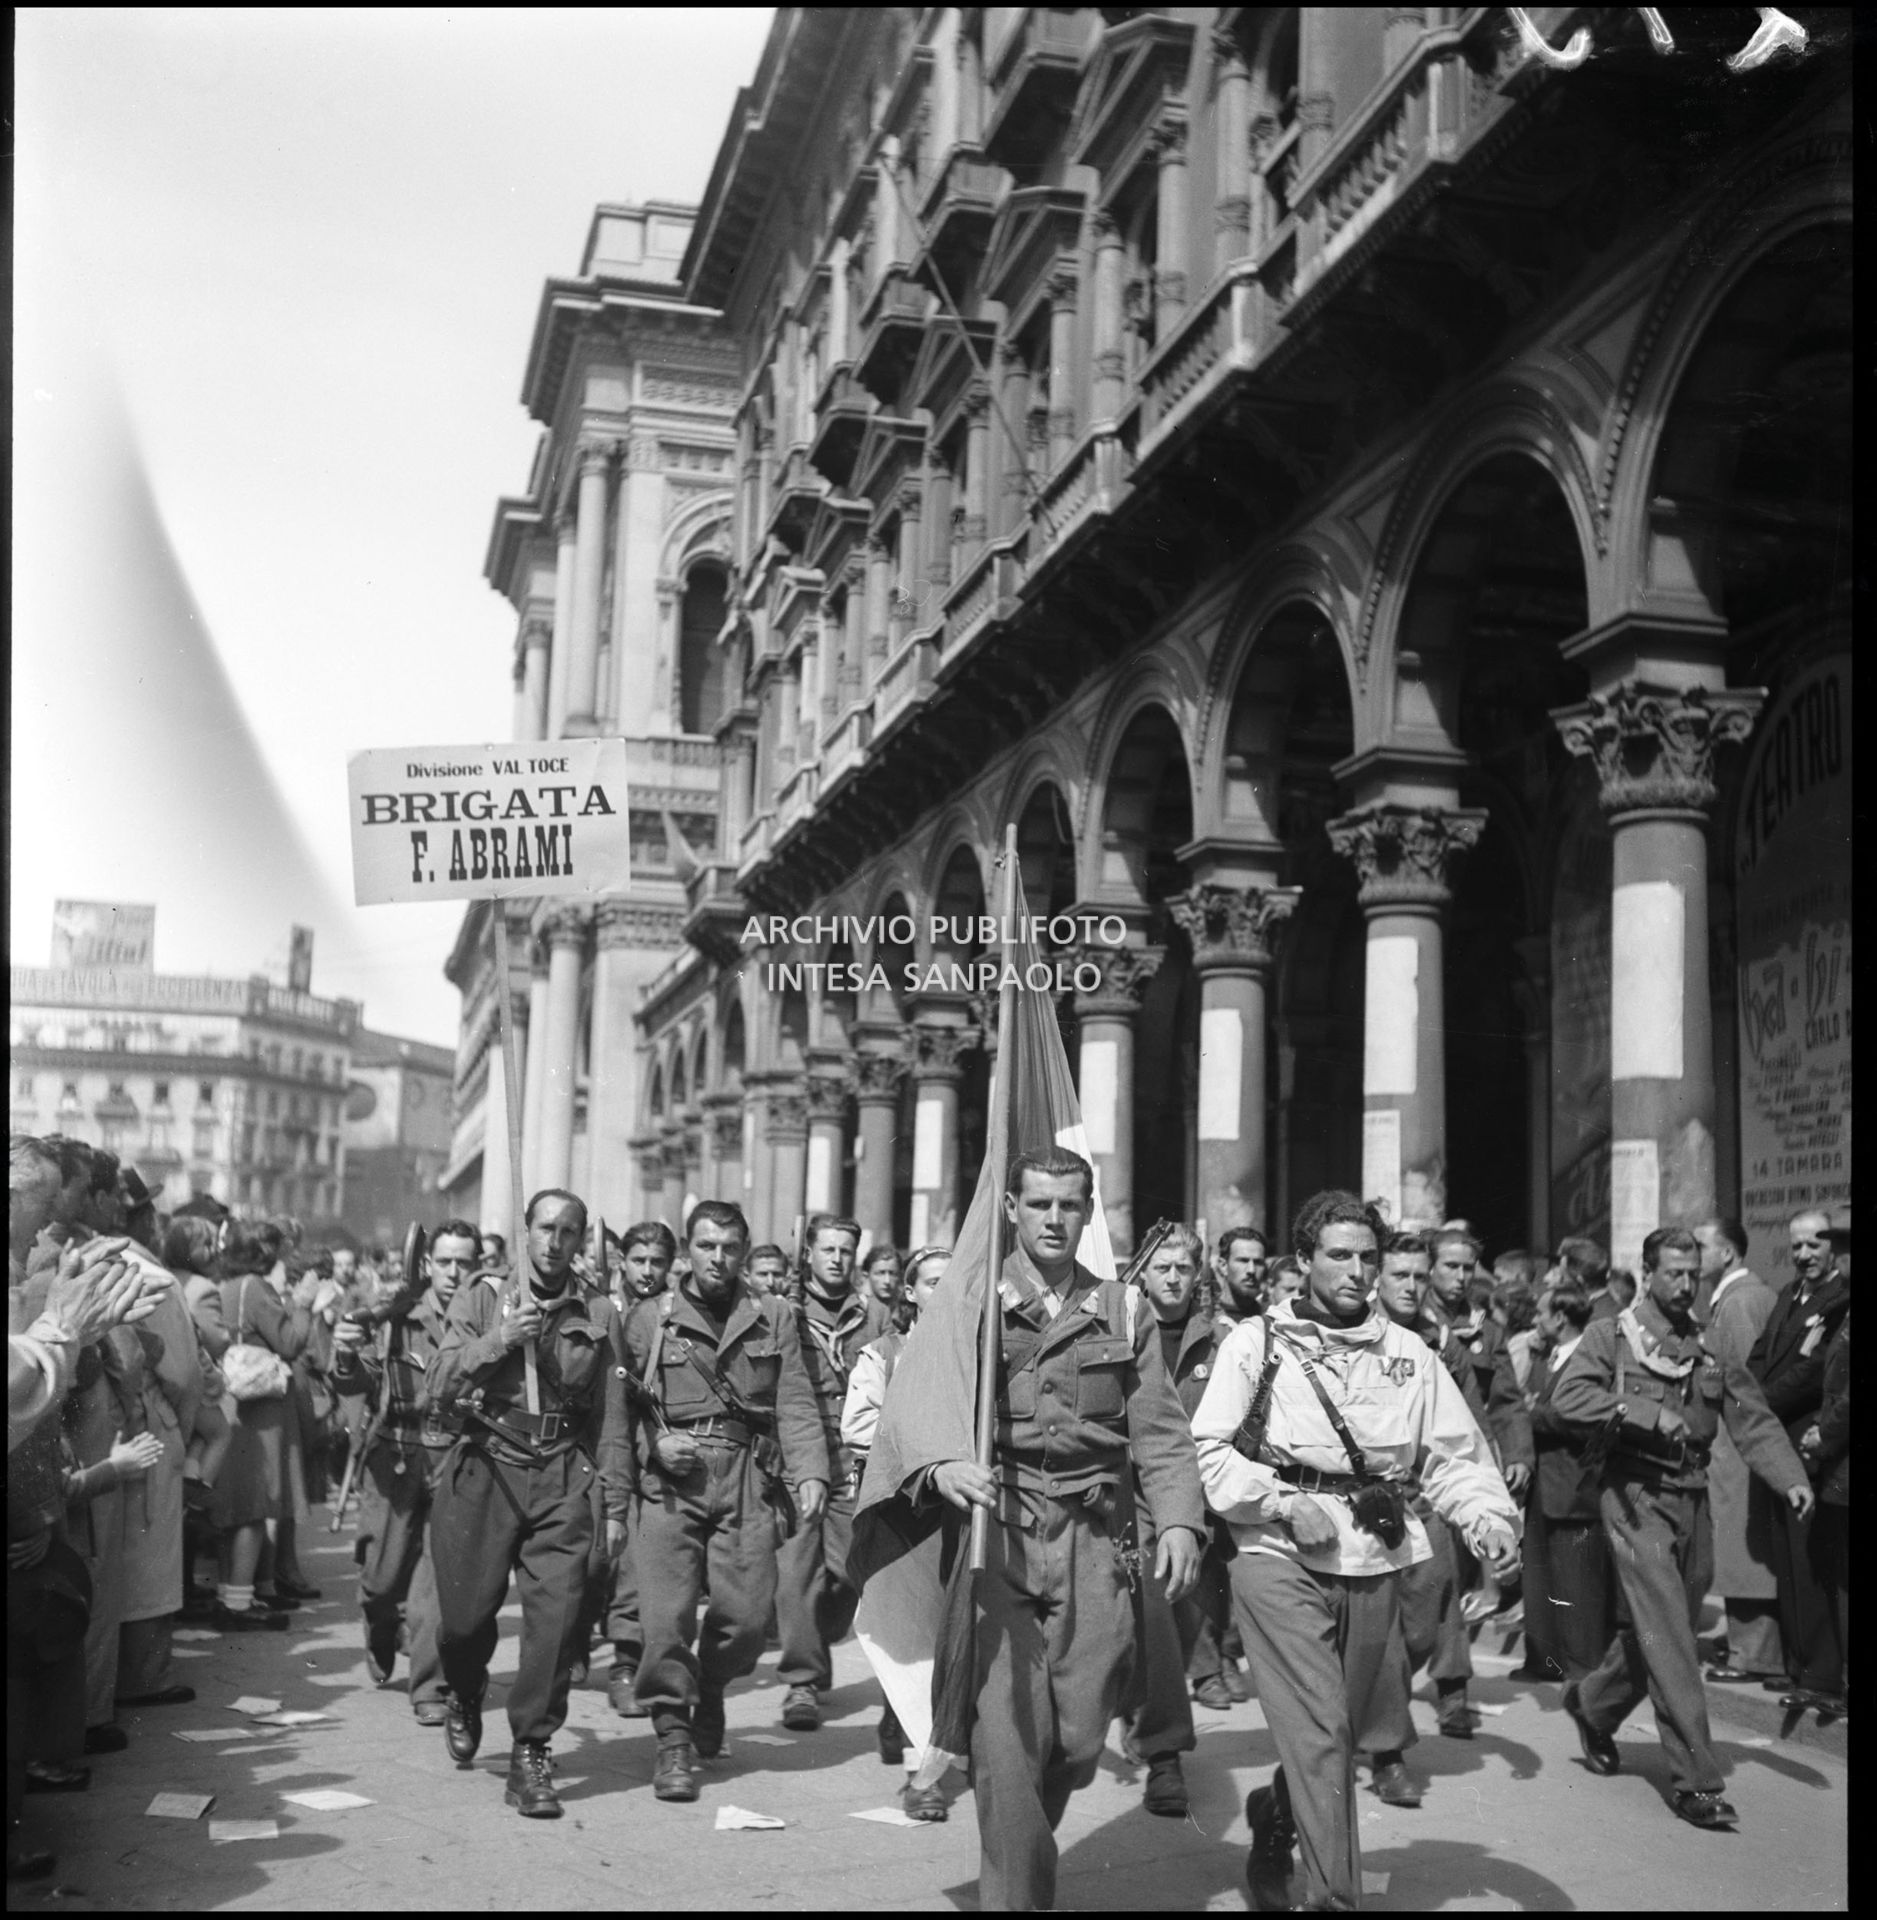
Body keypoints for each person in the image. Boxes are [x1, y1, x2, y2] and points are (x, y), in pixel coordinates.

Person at [1193, 1190, 1520, 1913]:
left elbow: (1455, 1455)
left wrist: (1486, 1517)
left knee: (1332, 1734)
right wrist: (1282, 1501)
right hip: (1273, 1549)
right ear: (1303, 1261)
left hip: (1372, 1553)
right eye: (1338, 1255)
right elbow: (1208, 1452)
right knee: (1321, 1731)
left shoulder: (1407, 1353)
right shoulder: (1256, 1344)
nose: (1356, 1270)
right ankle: (1334, 1899)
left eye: (1367, 1257)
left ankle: (1276, 1819)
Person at [919, 1147, 1205, 1912]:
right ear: (1010, 1207)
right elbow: (919, 1412)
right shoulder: (968, 1301)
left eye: (1068, 1205)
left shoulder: (1123, 1308)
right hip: (998, 1532)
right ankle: (1015, 1896)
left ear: (1087, 1212)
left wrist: (1177, 1520)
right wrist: (944, 1465)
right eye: (1039, 1203)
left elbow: (1161, 1433)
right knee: (1008, 1745)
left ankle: (1014, 1860)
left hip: (1093, 1539)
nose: (1053, 1219)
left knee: (1077, 1741)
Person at [1552, 1226, 1814, 1830]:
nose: (1684, 1284)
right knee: (1671, 1634)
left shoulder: (1709, 1340)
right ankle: (1697, 1781)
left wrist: (1788, 1476)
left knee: (1663, 1625)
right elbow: (1566, 1400)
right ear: (1648, 1272)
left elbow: (1751, 1417)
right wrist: (1645, 1412)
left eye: (1693, 1274)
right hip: (1635, 1495)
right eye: (1672, 1273)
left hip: (1692, 1499)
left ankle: (1592, 1705)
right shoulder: (1611, 1336)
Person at [424, 1189, 628, 1817]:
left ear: (580, 1238)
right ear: (525, 1232)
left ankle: (531, 1750)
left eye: (568, 1231)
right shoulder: (485, 1297)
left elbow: (612, 1417)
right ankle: (463, 1688)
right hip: (485, 1465)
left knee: (557, 1623)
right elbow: (439, 1380)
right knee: (463, 1621)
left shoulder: (597, 1309)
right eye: (544, 1228)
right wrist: (501, 1340)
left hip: (562, 1472)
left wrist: (614, 1504)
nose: (554, 1242)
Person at [621, 1200, 827, 1803]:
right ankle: (674, 1738)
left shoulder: (772, 1315)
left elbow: (794, 1399)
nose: (719, 1258)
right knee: (665, 1617)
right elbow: (620, 1412)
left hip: (747, 1476)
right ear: (687, 1250)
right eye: (707, 1246)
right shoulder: (648, 1318)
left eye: (730, 1247)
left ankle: (708, 1687)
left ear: (744, 1250)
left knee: (745, 1619)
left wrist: (810, 1470)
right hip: (671, 1481)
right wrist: (652, 1445)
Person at [331, 1218, 476, 1728]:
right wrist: (346, 1352)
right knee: (381, 1580)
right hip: (396, 1455)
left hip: (454, 1457)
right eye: (446, 1262)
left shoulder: (480, 1319)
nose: (455, 1272)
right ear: (429, 1264)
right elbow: (359, 1379)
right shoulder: (394, 1315)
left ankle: (429, 1685)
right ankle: (377, 1623)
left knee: (435, 1584)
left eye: (465, 1262)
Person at [1370, 1229, 1490, 1777]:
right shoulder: (1355, 1335)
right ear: (1377, 1276)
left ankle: (1377, 1714)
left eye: (1422, 1276)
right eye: (1402, 1275)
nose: (1414, 1287)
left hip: (1425, 1499)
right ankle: (1386, 1750)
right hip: (1361, 1503)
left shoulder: (1444, 1343)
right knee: (1379, 1628)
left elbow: (1469, 1429)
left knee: (1426, 1613)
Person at [1121, 1222, 1222, 1816]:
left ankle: (1142, 1712)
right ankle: (1165, 1755)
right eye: (1162, 1267)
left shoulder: (1224, 1339)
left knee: (1186, 1623)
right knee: (1158, 1610)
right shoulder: (1122, 1329)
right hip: (1138, 1493)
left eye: (1185, 1268)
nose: (1174, 1278)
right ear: (1144, 1273)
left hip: (1207, 1496)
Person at [774, 1214, 888, 1734]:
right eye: (828, 1250)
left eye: (846, 1250)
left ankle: (823, 1635)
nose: (837, 1259)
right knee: (798, 1570)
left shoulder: (875, 1314)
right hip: (798, 1449)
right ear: (810, 1255)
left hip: (852, 1454)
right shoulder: (786, 1313)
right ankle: (802, 1679)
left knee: (848, 1571)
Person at [1746, 1208, 1849, 1711]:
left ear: (1833, 1248)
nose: (1805, 1254)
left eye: (1815, 1244)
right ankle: (1798, 1667)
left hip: (1809, 1448)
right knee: (1787, 1559)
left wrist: (1757, 1402)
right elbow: (1760, 1356)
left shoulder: (1839, 1299)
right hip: (1776, 1445)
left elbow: (1811, 1375)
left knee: (1811, 1562)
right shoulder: (1788, 1295)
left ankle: (1822, 1676)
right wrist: (1753, 1395)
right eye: (1798, 1246)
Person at [586, 1219, 677, 1714]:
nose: (647, 1270)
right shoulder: (603, 1307)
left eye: (657, 1262)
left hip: (652, 1447)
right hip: (601, 1443)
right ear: (622, 1261)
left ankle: (624, 1662)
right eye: (639, 1260)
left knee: (632, 1566)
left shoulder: (674, 1311)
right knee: (590, 1561)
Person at [1691, 1216, 1784, 1685]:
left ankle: (1756, 1653)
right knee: (1736, 1549)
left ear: (1726, 1253)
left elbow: (1748, 1386)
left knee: (1745, 1552)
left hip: (1740, 1445)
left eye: (1700, 1247)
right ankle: (1747, 1645)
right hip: (1733, 1445)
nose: (1692, 1256)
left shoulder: (1742, 1300)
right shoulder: (1733, 1297)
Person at [210, 1221, 308, 1632]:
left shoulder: (229, 1285)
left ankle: (239, 1590)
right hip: (262, 1405)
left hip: (234, 1403)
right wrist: (303, 1303)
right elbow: (289, 1341)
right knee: (258, 1501)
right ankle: (240, 1598)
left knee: (236, 1499)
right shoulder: (258, 1287)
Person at [1518, 1277, 1612, 1681]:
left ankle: (1581, 1668)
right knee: (1540, 1581)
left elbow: (1586, 1417)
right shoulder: (1548, 1356)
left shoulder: (1589, 1361)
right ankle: (1543, 1661)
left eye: (1541, 1313)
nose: (1535, 1320)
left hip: (1575, 1490)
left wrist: (1532, 1414)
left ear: (1559, 1317)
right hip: (1542, 1486)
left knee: (1576, 1589)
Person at [1212, 1226, 1268, 1323]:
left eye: (1258, 1262)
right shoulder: (1205, 1318)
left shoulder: (1270, 1320)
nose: (1251, 1270)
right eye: (1243, 1261)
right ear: (1223, 1266)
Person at [1555, 1237, 1615, 1320]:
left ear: (1580, 1280)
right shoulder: (1613, 1304)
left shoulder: (1591, 1317)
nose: (1558, 1284)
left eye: (1563, 1278)